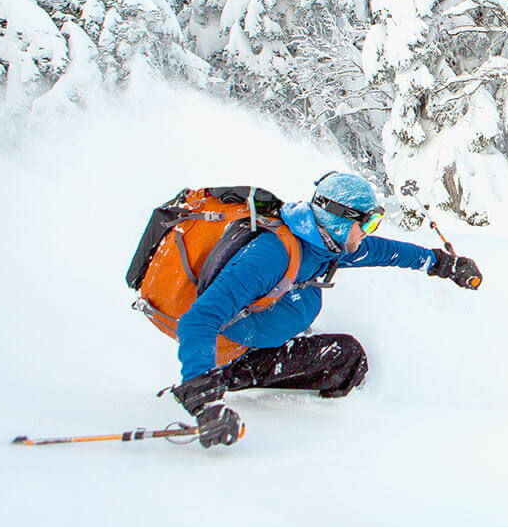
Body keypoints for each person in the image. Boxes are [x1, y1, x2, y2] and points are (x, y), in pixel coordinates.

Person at [168, 172, 481, 448]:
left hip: (263, 332)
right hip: (238, 352)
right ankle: (232, 375)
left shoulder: (324, 243)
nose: (368, 232)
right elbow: (199, 319)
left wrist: (442, 264)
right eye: (367, 222)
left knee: (340, 352)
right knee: (347, 359)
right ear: (341, 219)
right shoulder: (271, 254)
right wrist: (204, 398)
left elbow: (387, 252)